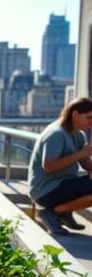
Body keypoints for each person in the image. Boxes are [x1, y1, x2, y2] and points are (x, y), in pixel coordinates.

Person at [28, 97, 92, 235]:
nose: (91, 122)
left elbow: (86, 164)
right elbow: (49, 166)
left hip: (62, 184)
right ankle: (53, 212)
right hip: (45, 190)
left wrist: (87, 159)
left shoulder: (78, 134)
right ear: (75, 114)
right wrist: (81, 153)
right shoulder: (56, 134)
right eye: (89, 117)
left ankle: (63, 213)